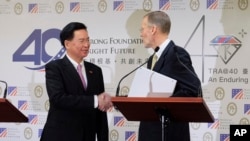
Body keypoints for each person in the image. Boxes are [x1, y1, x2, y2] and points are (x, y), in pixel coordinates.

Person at [40, 22, 113, 141]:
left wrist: (103, 138)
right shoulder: (55, 67)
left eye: (88, 40)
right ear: (67, 44)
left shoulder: (95, 71)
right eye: (82, 41)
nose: (87, 45)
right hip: (60, 136)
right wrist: (95, 100)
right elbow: (58, 98)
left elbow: (101, 111)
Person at [138, 11, 202, 141]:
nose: (141, 33)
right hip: (151, 132)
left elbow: (193, 89)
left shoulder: (176, 54)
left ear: (153, 29)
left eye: (143, 28)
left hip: (169, 133)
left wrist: (164, 104)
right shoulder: (152, 59)